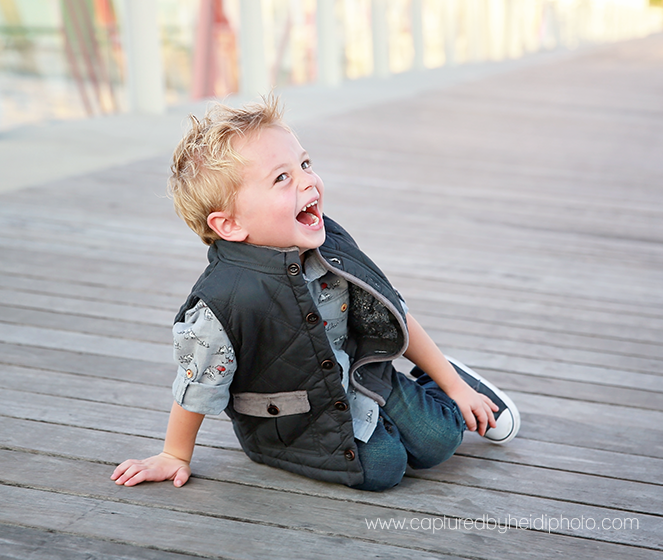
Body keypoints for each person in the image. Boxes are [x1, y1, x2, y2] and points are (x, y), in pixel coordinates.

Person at [111, 96, 519, 491]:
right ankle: (394, 422)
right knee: (383, 468)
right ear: (231, 225)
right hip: (295, 421)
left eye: (304, 164)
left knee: (438, 440)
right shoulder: (222, 304)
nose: (309, 180)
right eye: (282, 177)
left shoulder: (329, 245)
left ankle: (448, 378)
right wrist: (175, 455)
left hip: (361, 372)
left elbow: (390, 311)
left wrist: (455, 387)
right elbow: (196, 383)